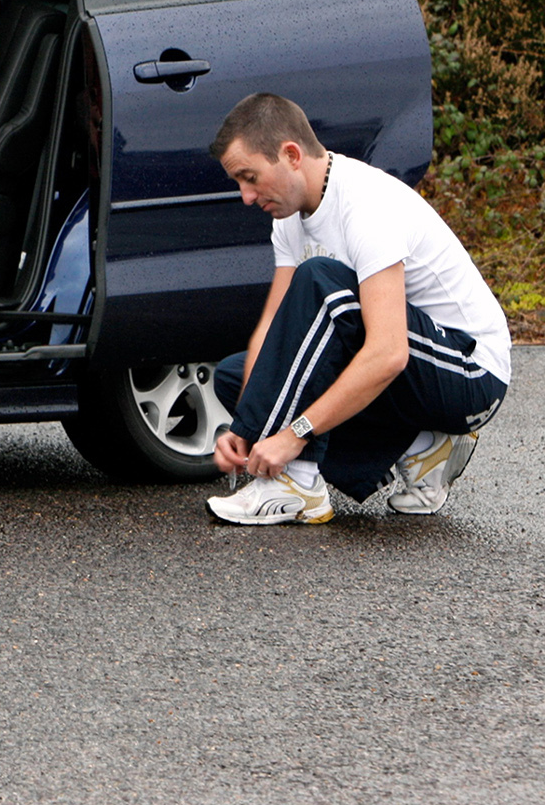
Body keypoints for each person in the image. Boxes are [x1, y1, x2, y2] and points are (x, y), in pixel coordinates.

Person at [206, 92, 510, 525]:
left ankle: (297, 484)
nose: (246, 196)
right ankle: (421, 449)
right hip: (411, 373)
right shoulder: (287, 220)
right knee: (238, 377)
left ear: (291, 155)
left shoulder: (365, 204)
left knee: (321, 282)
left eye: (250, 177)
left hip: (470, 373)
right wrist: (245, 426)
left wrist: (294, 435)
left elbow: (389, 353)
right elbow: (274, 331)